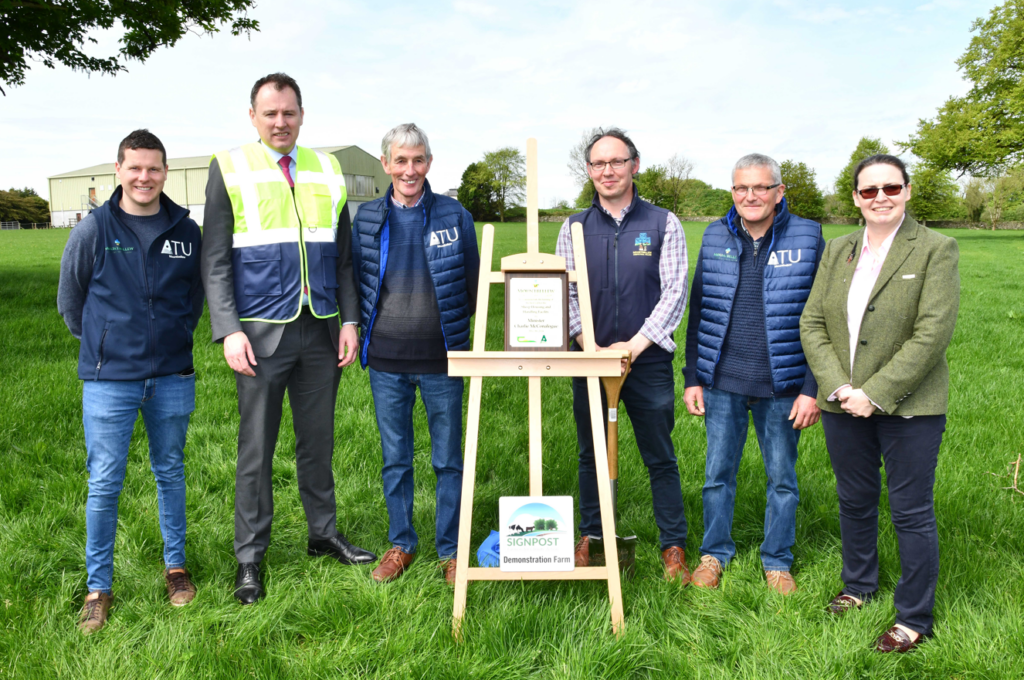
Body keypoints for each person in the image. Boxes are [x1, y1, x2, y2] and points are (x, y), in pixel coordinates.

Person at [201, 72, 375, 605]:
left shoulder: (327, 168)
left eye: (289, 112)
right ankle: (250, 557)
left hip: (320, 329)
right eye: (270, 113)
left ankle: (323, 535)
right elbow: (214, 260)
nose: (281, 122)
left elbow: (342, 257)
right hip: (258, 335)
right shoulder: (228, 167)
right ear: (252, 116)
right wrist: (228, 329)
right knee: (256, 448)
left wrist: (350, 321)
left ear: (302, 115)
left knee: (317, 443)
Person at [800, 154, 959, 652]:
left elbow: (932, 333)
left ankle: (914, 617)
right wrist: (840, 387)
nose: (881, 198)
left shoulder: (936, 248)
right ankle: (859, 586)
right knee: (855, 500)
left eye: (891, 187)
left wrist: (876, 393)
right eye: (869, 191)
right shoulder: (838, 249)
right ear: (855, 198)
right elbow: (813, 323)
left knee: (910, 511)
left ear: (907, 191)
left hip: (909, 406)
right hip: (841, 402)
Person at [57, 129, 204, 633]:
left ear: (165, 172)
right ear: (117, 170)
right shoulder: (93, 230)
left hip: (171, 376)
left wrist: (175, 338)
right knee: (104, 483)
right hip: (108, 381)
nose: (145, 177)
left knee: (171, 472)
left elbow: (195, 299)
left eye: (154, 168)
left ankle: (176, 568)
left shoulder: (186, 230)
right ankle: (99, 586)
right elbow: (71, 303)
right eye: (135, 167)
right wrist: (105, 345)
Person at [681, 153, 824, 594]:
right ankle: (713, 553)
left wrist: (811, 387)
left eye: (761, 187)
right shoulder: (714, 234)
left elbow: (825, 316)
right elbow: (699, 307)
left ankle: (777, 560)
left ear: (780, 192)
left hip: (782, 383)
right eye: (742, 188)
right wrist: (692, 376)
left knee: (782, 477)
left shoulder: (809, 235)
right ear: (733, 192)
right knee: (717, 474)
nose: (751, 196)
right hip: (722, 380)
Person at [555, 127, 690, 582]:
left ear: (635, 165)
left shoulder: (663, 223)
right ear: (589, 170)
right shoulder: (573, 227)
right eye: (598, 163)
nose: (607, 170)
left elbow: (674, 293)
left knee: (659, 454)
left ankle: (673, 545)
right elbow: (564, 294)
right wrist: (587, 344)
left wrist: (634, 346)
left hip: (646, 359)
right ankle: (592, 536)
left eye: (617, 162)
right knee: (591, 452)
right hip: (590, 358)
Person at [351, 123, 480, 584]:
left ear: (429, 162)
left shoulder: (454, 215)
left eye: (418, 159)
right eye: (400, 160)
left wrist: (462, 342)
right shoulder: (366, 218)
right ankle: (401, 543)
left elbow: (472, 284)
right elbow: (357, 284)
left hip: (442, 360)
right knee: (396, 458)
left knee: (448, 459)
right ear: (386, 164)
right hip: (387, 360)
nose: (410, 169)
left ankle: (450, 549)